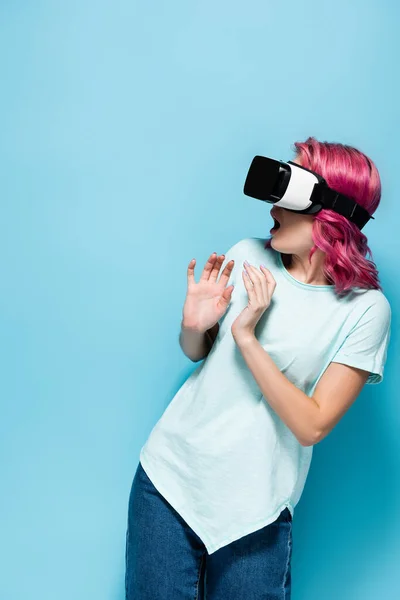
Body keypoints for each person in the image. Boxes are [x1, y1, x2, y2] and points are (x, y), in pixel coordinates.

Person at [124, 137, 392, 599]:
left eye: (285, 194)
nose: (272, 207)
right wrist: (194, 326)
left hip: (256, 509)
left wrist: (248, 338)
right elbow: (198, 353)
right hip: (169, 481)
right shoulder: (248, 254)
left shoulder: (366, 310)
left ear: (328, 211)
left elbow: (312, 424)